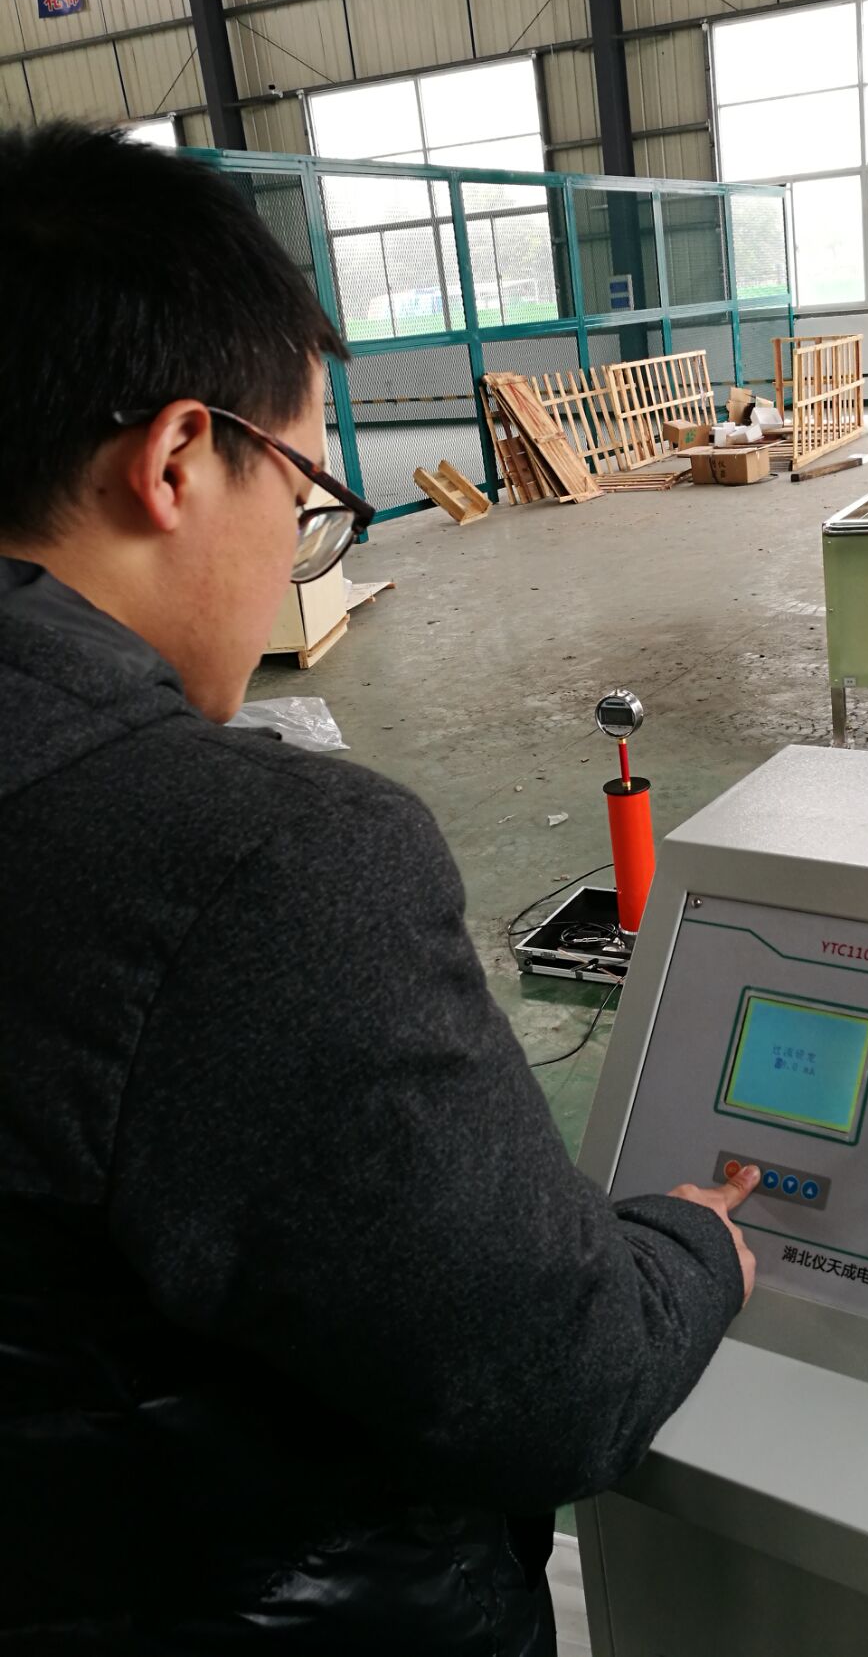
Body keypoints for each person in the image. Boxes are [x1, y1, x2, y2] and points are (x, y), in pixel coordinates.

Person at [0, 122, 759, 1654]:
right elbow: (551, 1382)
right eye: (301, 493)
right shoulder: (257, 862)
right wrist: (693, 1253)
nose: (298, 546)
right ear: (175, 460)